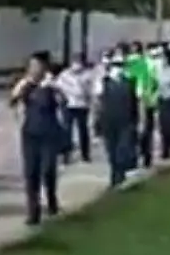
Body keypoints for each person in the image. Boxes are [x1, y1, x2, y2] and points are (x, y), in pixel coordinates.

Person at [11, 52, 65, 225]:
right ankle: (33, 211)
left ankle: (51, 200)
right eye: (31, 66)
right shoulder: (26, 85)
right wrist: (21, 87)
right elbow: (13, 101)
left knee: (48, 170)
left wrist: (54, 89)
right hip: (30, 133)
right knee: (31, 173)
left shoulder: (52, 85)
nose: (33, 69)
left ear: (44, 68)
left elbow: (63, 102)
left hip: (49, 133)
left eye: (36, 66)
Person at [98, 54, 138, 187]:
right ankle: (115, 175)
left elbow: (135, 102)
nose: (118, 68)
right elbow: (98, 103)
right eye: (116, 65)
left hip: (126, 121)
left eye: (121, 65)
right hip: (108, 121)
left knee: (122, 149)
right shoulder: (104, 82)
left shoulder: (130, 82)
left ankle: (120, 174)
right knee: (111, 150)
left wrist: (137, 120)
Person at [55, 52, 95, 162]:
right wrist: (61, 99)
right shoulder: (64, 75)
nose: (77, 64)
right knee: (67, 130)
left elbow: (91, 90)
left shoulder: (87, 75)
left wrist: (89, 98)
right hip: (68, 105)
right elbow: (58, 88)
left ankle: (85, 154)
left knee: (83, 130)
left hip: (82, 105)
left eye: (79, 62)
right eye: (75, 61)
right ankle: (66, 155)